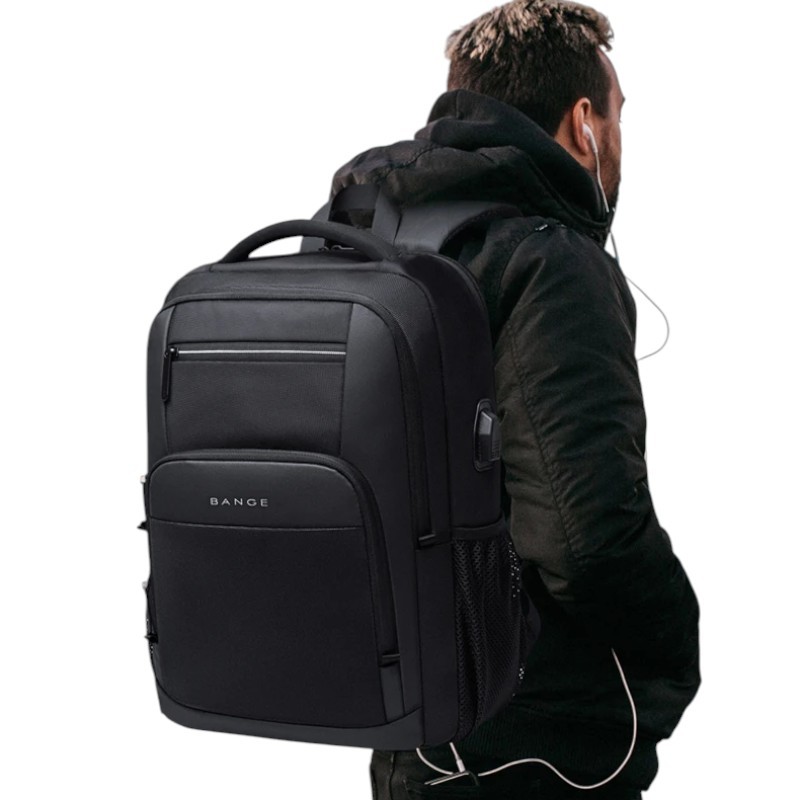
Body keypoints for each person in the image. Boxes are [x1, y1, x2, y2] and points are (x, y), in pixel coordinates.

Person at [327, 1, 701, 797]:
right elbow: (586, 538)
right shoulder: (548, 260)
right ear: (584, 122)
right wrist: (674, 651)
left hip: (405, 732)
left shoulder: (357, 238)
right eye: (619, 114)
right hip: (542, 745)